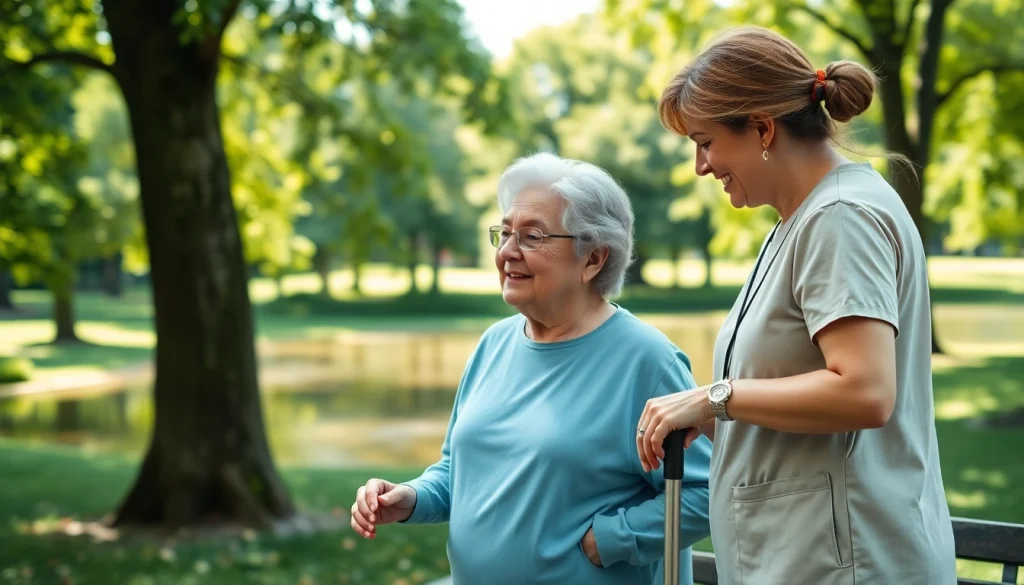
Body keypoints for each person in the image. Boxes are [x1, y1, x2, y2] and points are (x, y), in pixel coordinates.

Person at [635, 26, 958, 585]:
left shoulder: (840, 217)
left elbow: (864, 391)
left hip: (849, 565)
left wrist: (717, 399)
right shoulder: (802, 219)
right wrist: (717, 420)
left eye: (706, 141)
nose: (701, 166)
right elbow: (798, 387)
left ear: (762, 127)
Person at [350, 152, 713, 585]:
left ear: (593, 258)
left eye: (532, 237)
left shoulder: (646, 360)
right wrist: (408, 498)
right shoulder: (494, 344)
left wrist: (613, 538)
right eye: (504, 233)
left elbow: (704, 492)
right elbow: (457, 471)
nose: (507, 252)